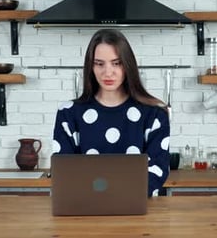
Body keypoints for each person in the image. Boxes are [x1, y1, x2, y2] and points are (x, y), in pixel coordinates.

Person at [51, 29, 170, 197]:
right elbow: (64, 172)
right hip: (84, 212)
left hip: (138, 213)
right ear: (90, 67)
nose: (108, 72)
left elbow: (157, 170)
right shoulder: (68, 113)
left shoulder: (155, 113)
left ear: (128, 65)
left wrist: (116, 195)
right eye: (99, 64)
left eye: (116, 63)